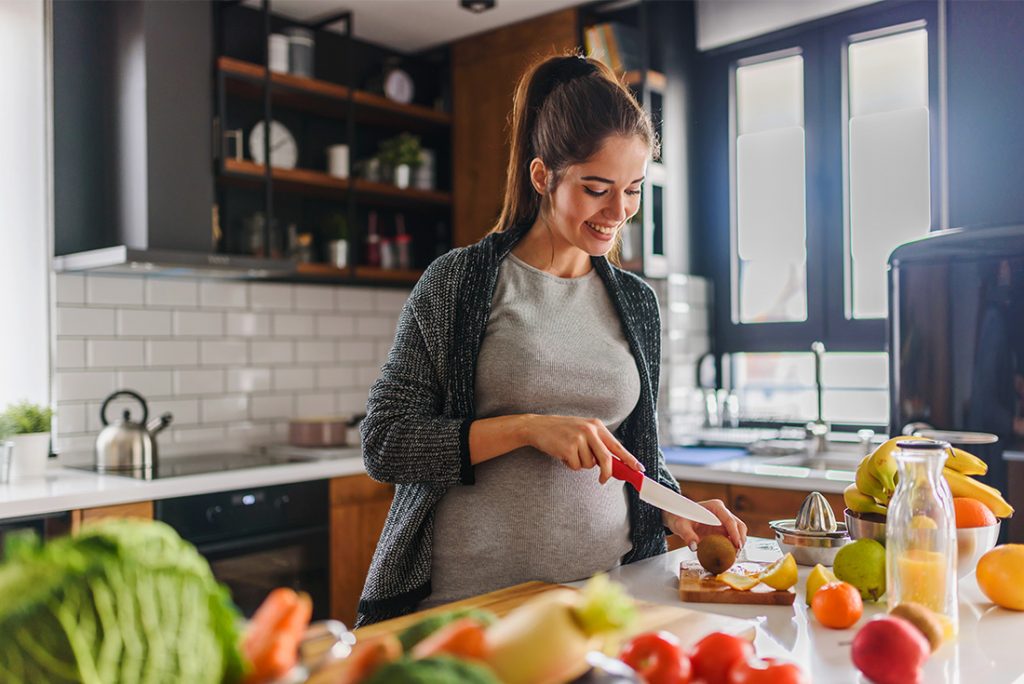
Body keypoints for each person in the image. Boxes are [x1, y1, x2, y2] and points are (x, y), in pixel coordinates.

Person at [356, 53, 747, 627]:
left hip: (601, 602)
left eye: (634, 189)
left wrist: (679, 510)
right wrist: (527, 428)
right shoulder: (460, 282)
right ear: (543, 177)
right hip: (469, 609)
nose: (619, 212)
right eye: (596, 189)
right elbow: (385, 442)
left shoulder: (637, 303)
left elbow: (633, 454)